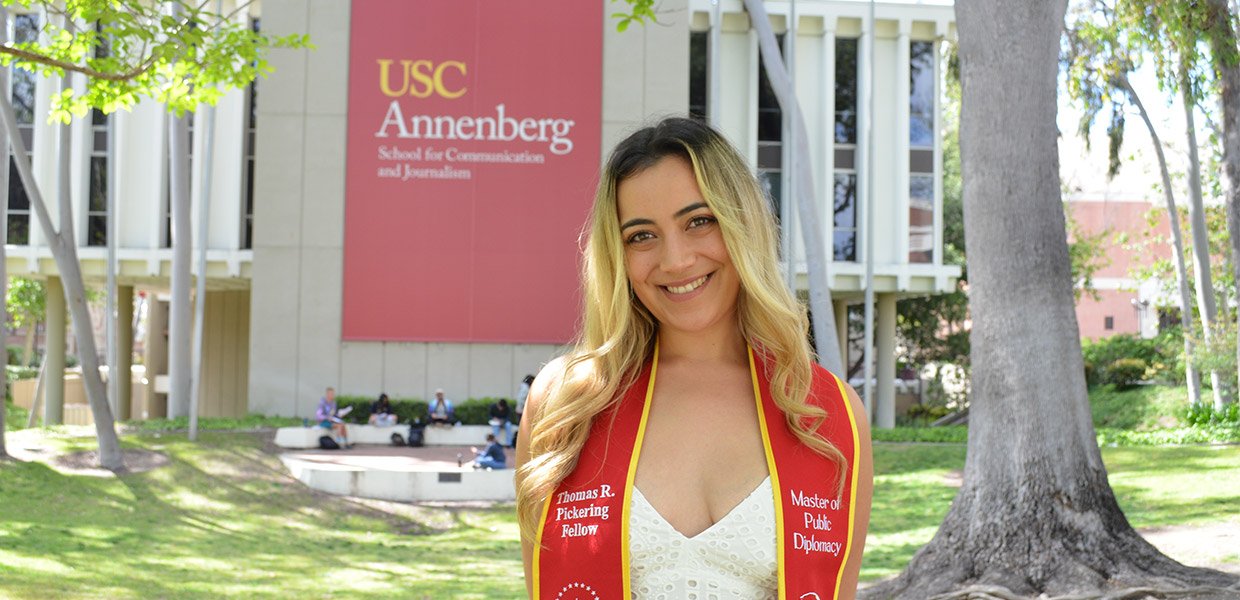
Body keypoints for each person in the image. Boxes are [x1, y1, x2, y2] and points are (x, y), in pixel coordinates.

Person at [515, 117, 873, 599]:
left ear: (742, 224)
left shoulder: (828, 412)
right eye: (642, 235)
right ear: (617, 255)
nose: (676, 260)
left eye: (699, 222)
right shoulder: (566, 403)